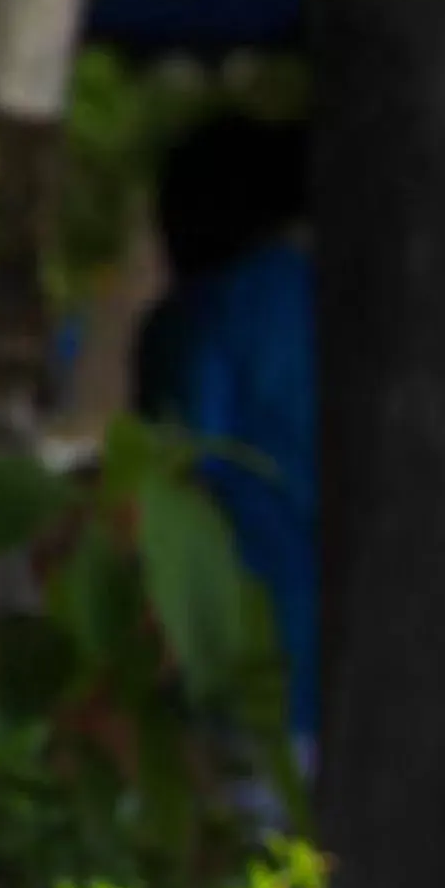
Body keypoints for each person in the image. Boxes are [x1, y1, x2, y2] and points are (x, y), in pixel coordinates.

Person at [134, 113, 318, 758]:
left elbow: (174, 481)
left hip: (239, 656)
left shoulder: (194, 321)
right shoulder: (330, 295)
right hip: (376, 657)